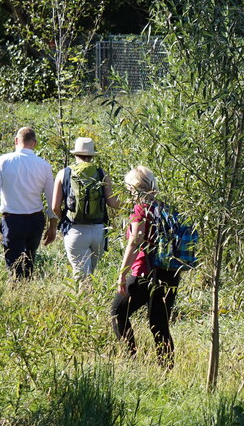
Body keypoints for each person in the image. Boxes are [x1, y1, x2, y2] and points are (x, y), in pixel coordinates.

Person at [110, 166, 182, 367]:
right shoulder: (165, 207)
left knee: (117, 312)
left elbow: (135, 241)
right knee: (159, 322)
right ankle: (165, 369)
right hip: (169, 272)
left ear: (132, 188)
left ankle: (131, 360)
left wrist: (122, 275)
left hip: (143, 271)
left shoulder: (141, 209)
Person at [0, 127, 57, 279]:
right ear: (34, 143)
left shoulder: (3, 161)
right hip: (35, 220)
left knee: (14, 266)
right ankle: (26, 291)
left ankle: (17, 293)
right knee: (29, 262)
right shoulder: (44, 165)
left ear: (16, 141)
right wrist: (53, 227)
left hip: (12, 221)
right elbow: (52, 200)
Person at [50, 137, 120, 286]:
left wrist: (64, 219)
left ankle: (84, 307)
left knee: (81, 276)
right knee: (90, 275)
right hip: (98, 232)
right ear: (92, 155)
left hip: (75, 231)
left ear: (76, 154)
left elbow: (55, 207)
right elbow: (113, 203)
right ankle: (92, 305)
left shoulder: (64, 173)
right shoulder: (102, 173)